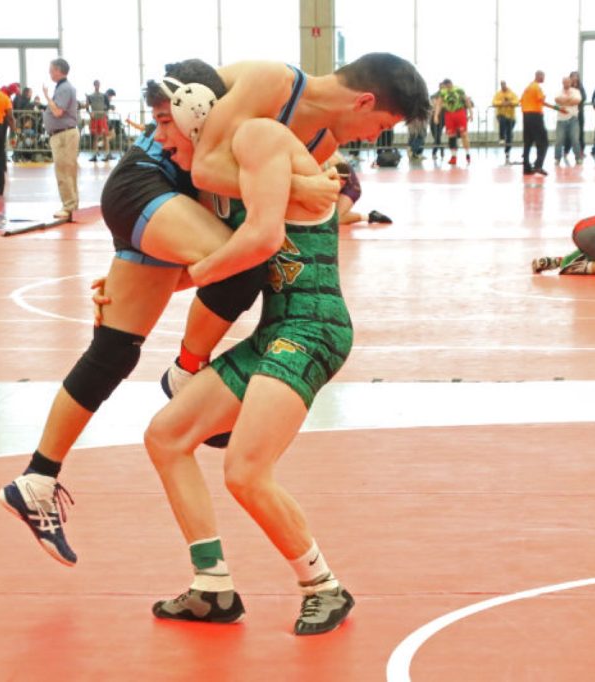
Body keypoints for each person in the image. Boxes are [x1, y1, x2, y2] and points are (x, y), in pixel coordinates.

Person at [0, 53, 429, 572]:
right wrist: (296, 184)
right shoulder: (275, 84)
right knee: (244, 262)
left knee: (114, 349)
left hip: (186, 204)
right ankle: (186, 372)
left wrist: (321, 192)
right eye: (379, 126)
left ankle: (37, 479)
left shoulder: (326, 140)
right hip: (152, 180)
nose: (370, 138)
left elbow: (253, 194)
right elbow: (205, 165)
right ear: (363, 101)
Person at [141, 60, 358, 636]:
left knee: (245, 471)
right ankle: (212, 587)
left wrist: (189, 277)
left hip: (314, 326)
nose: (158, 138)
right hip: (275, 331)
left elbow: (260, 239)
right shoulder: (220, 171)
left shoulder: (258, 137)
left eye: (165, 123)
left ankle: (324, 587)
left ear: (195, 112)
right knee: (165, 437)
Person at [43, 58, 80, 221]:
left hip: (63, 135)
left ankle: (69, 206)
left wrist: (46, 97)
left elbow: (58, 112)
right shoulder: (63, 88)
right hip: (63, 134)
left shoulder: (64, 88)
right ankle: (72, 204)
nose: (50, 73)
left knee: (64, 170)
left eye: (51, 70)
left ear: (58, 70)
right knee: (68, 170)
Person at [521, 71, 550, 176]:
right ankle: (538, 165)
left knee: (527, 142)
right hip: (535, 115)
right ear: (538, 76)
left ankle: (526, 167)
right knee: (544, 142)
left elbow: (522, 101)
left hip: (526, 115)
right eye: (543, 76)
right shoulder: (536, 87)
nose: (544, 78)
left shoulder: (528, 87)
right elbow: (541, 99)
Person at [439, 78, 472, 165]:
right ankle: (454, 157)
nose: (447, 87)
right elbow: (439, 103)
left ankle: (467, 154)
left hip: (459, 113)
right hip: (449, 115)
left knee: (464, 134)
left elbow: (467, 101)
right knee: (451, 135)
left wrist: (471, 113)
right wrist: (436, 115)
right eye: (445, 86)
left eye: (448, 85)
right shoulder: (443, 93)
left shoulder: (459, 90)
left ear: (451, 83)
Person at [554, 76, 582, 165]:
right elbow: (557, 100)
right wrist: (570, 100)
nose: (566, 84)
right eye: (564, 82)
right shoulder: (558, 92)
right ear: (562, 83)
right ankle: (557, 158)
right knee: (559, 140)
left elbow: (577, 100)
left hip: (573, 118)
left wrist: (564, 102)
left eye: (567, 82)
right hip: (561, 120)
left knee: (575, 139)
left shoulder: (576, 91)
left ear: (570, 82)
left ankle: (578, 158)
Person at [86, 80, 114, 162]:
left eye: (98, 84)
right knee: (95, 137)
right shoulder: (90, 96)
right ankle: (94, 155)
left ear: (100, 85)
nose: (97, 86)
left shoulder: (104, 95)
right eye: (96, 84)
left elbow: (108, 106)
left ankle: (106, 155)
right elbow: (87, 107)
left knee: (105, 136)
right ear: (94, 85)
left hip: (102, 118)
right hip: (94, 119)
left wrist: (104, 112)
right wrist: (90, 113)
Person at [492, 80, 518, 163]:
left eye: (504, 84)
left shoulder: (512, 93)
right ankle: (501, 138)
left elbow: (517, 101)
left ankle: (507, 151)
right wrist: (501, 103)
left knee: (509, 134)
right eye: (501, 84)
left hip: (511, 117)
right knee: (502, 121)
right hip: (501, 115)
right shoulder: (498, 94)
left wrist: (510, 102)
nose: (503, 86)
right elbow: (494, 102)